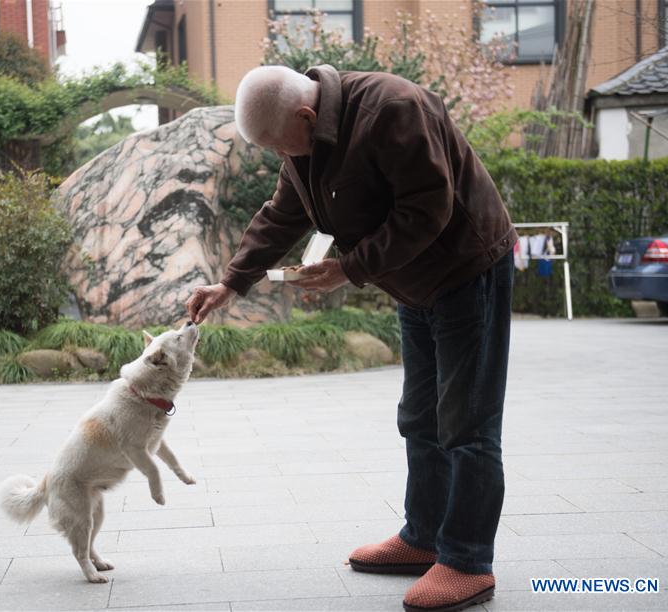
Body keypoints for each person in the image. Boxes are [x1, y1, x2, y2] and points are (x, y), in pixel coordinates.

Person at [185, 64, 515, 612]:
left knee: (467, 422)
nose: (278, 157)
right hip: (412, 284)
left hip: (466, 272)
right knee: (420, 417)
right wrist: (231, 283)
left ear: (306, 115)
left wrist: (350, 268)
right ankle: (423, 537)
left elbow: (427, 208)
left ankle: (467, 560)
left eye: (277, 144)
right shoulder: (304, 146)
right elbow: (282, 214)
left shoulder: (393, 110)